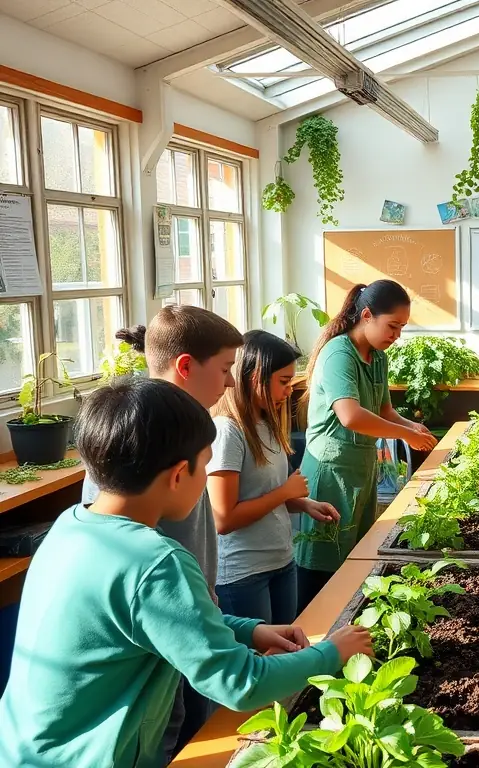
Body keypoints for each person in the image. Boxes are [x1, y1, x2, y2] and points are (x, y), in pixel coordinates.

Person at [0, 378, 374, 768]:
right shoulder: (156, 561)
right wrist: (330, 653)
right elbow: (240, 683)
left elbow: (152, 619)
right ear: (179, 474)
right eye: (206, 466)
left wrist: (249, 631)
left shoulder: (71, 525)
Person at [81, 306, 243, 759]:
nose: (232, 382)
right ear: (186, 366)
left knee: (193, 732)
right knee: (168, 740)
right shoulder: (141, 436)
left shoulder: (186, 431)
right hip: (160, 630)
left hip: (188, 618)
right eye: (225, 369)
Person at [297, 280, 437, 611]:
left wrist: (410, 425)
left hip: (361, 467)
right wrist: (405, 435)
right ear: (367, 316)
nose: (397, 335)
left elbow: (383, 410)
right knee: (323, 563)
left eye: (402, 328)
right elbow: (350, 415)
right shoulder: (338, 353)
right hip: (331, 471)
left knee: (355, 559)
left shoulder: (377, 357)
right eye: (392, 326)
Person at [208, 331, 341, 625]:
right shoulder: (228, 431)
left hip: (281, 562)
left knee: (285, 647)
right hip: (243, 573)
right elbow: (224, 519)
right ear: (255, 377)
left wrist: (304, 504)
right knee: (259, 653)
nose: (290, 390)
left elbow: (264, 493)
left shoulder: (266, 423)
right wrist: (285, 493)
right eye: (283, 381)